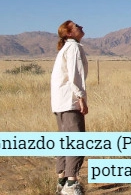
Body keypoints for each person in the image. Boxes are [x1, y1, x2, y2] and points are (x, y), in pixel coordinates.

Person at [51, 20, 89, 195]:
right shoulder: (73, 48)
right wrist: (81, 97)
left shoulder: (64, 48)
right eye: (77, 26)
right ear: (69, 33)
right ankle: (71, 185)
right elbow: (75, 75)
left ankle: (62, 180)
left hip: (60, 102)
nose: (81, 27)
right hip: (69, 101)